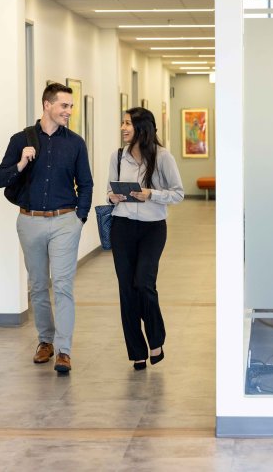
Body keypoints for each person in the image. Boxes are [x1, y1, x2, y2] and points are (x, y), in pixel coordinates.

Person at [0, 83, 93, 374]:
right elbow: (0, 179)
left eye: (71, 106)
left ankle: (64, 350)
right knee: (38, 285)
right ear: (47, 105)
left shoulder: (75, 143)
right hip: (30, 221)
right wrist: (22, 162)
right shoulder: (19, 140)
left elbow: (85, 183)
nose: (69, 112)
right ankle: (45, 342)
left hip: (65, 221)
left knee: (62, 286)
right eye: (64, 106)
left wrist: (80, 218)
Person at [107, 107, 184, 370]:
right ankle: (136, 351)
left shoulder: (163, 157)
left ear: (142, 127)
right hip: (122, 226)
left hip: (153, 228)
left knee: (144, 283)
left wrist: (151, 194)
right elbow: (109, 188)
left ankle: (156, 338)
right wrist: (112, 196)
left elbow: (178, 193)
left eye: (127, 123)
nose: (123, 128)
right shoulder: (118, 156)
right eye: (123, 123)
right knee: (126, 290)